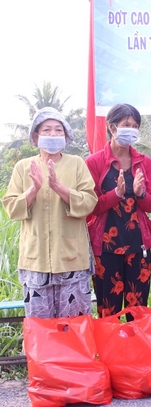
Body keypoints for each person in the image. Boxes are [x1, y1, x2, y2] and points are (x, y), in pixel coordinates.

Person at [2, 107, 98, 318]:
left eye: (58, 130)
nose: (53, 135)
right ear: (36, 136)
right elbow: (10, 207)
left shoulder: (76, 164)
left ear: (66, 136)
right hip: (36, 261)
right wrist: (33, 189)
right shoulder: (23, 167)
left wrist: (60, 188)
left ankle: (76, 353)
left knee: (75, 329)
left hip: (72, 258)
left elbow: (90, 202)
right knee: (40, 330)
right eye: (47, 130)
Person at [86, 103, 151, 318]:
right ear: (111, 126)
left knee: (138, 309)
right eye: (126, 124)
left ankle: (137, 351)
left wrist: (140, 194)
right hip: (105, 249)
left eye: (135, 126)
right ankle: (110, 352)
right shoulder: (94, 162)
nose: (131, 130)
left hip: (138, 246)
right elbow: (90, 206)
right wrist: (115, 194)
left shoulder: (143, 162)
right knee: (108, 309)